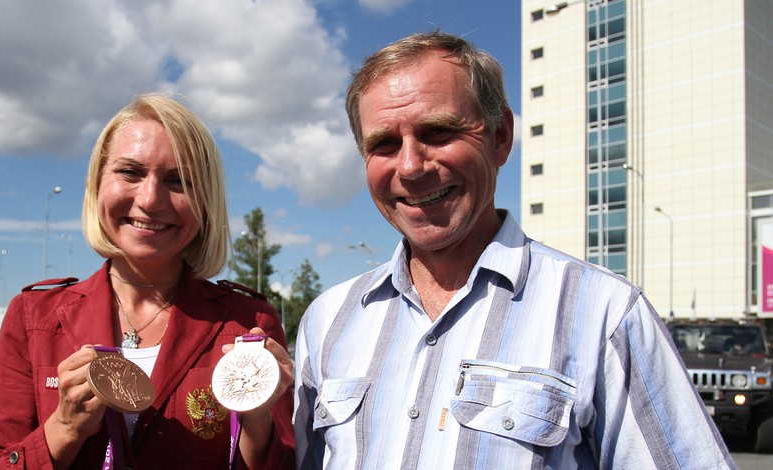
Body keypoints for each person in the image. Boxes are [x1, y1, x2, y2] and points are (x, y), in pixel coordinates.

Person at [294, 31, 736, 468]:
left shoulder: (604, 313)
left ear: (501, 136)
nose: (410, 166)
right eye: (384, 144)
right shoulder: (329, 321)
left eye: (438, 132)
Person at [0, 94, 295, 469]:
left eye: (178, 180)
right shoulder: (34, 318)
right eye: (130, 172)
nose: (151, 199)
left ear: (205, 200)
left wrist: (256, 421)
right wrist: (63, 429)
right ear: (97, 182)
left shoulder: (247, 323)